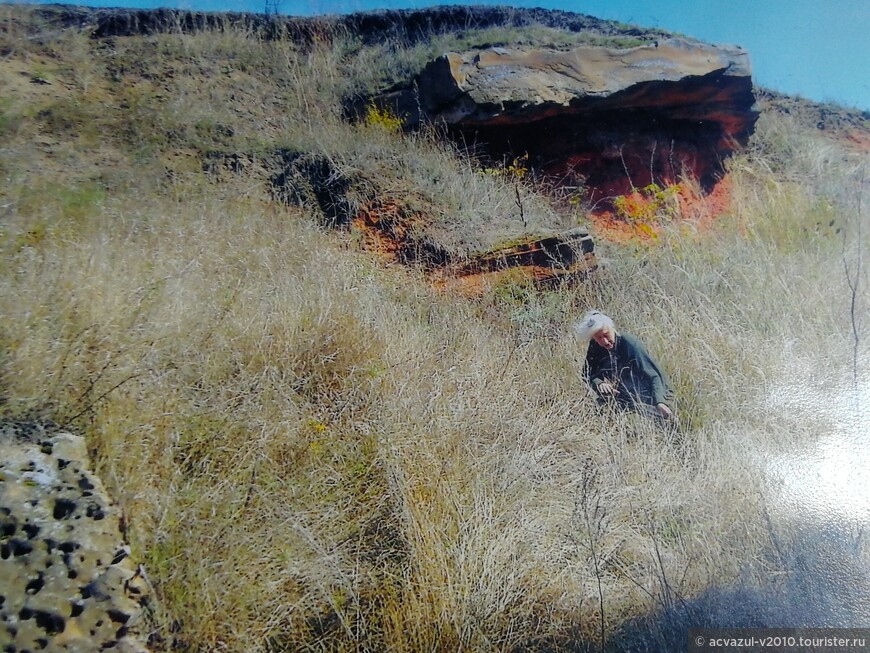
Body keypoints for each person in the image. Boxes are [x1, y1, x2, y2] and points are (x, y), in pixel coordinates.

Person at [575, 310, 675, 420]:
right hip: (627, 394)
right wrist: (599, 383)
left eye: (606, 335)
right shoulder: (595, 346)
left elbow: (654, 375)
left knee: (662, 421)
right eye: (598, 337)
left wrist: (660, 402)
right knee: (600, 411)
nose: (604, 341)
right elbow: (587, 373)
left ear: (612, 328)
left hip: (655, 392)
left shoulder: (629, 343)